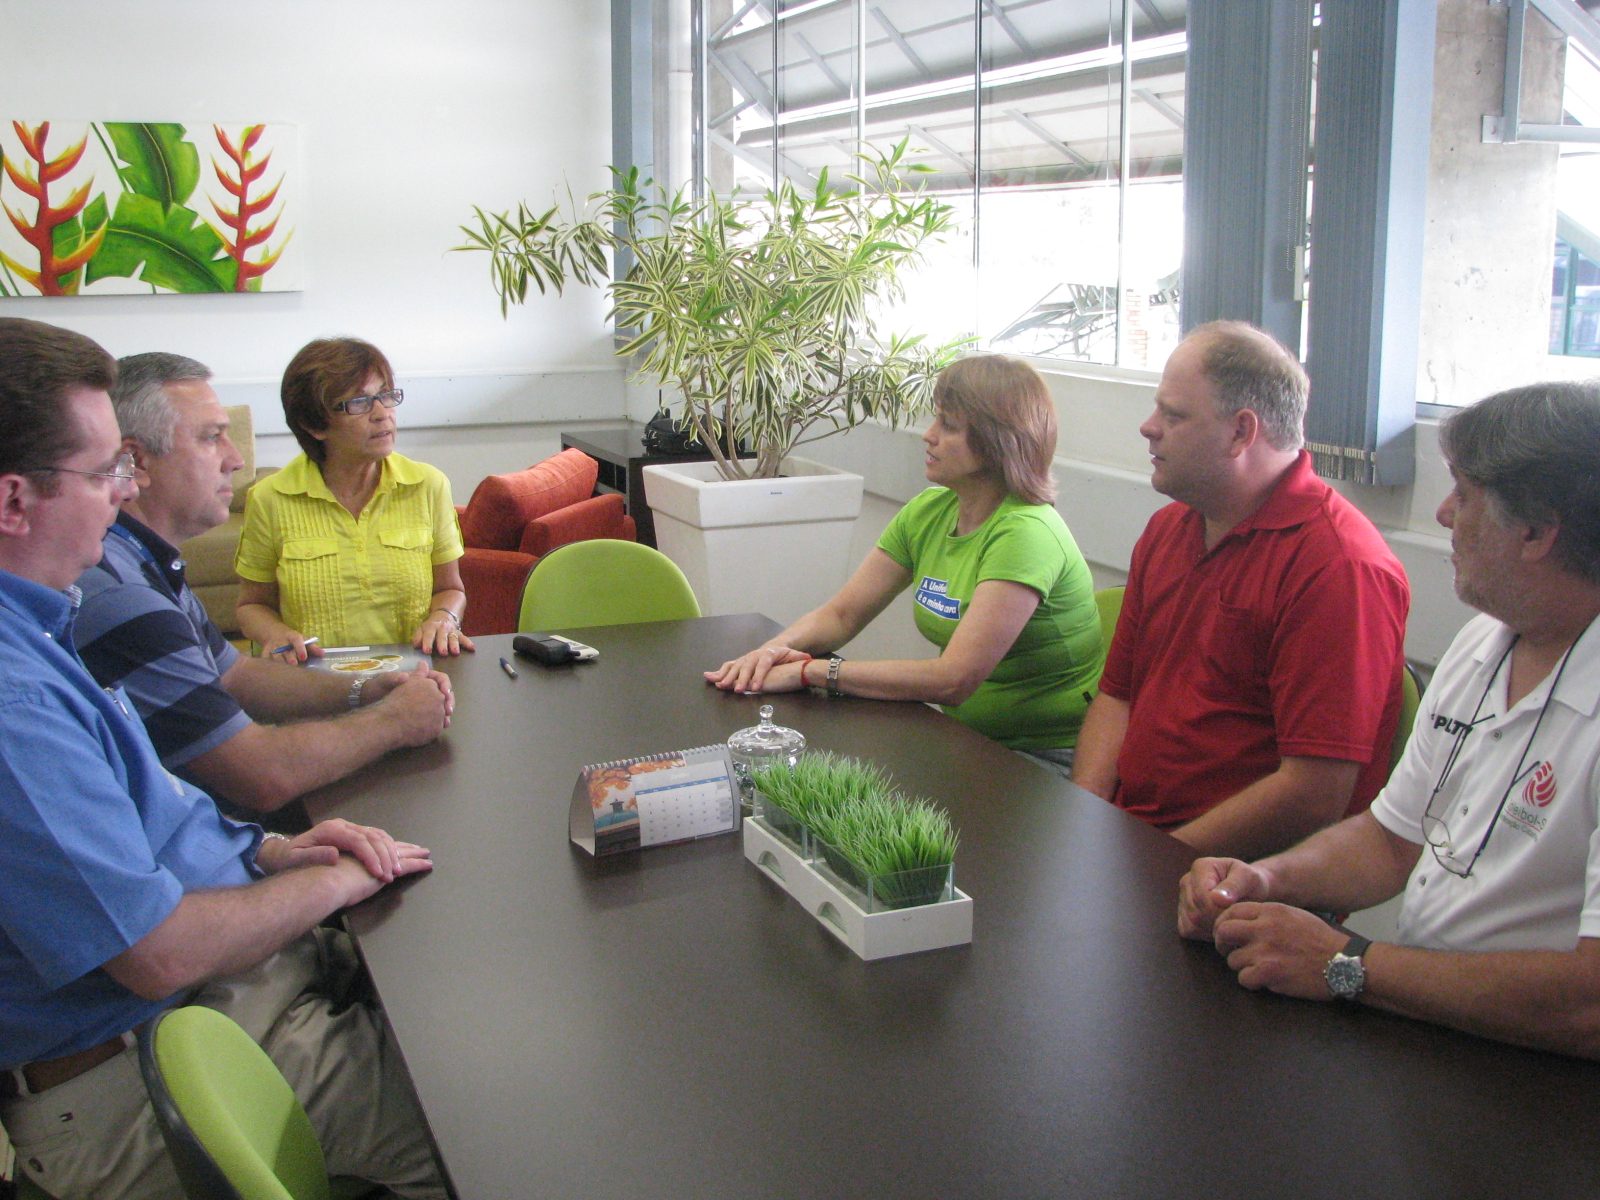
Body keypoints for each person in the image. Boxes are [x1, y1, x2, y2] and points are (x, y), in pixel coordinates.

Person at [0, 317, 444, 1198]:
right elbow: (154, 953)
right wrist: (330, 883)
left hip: (221, 989)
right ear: (14, 501)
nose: (121, 493)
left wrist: (274, 851)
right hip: (141, 1062)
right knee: (486, 1129)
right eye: (105, 473)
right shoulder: (16, 695)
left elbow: (156, 807)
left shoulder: (40, 623)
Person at [1177, 381, 1600, 1059]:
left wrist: (1348, 965)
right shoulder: (1485, 644)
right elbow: (1390, 842)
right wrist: (1263, 879)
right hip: (1432, 1017)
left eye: (1463, 494)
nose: (1441, 513)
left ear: (1537, 532)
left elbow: (1589, 1005)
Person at [1072, 321, 1410, 859]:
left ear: (1241, 432)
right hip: (1133, 843)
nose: (1148, 427)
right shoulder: (1169, 529)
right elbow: (1118, 697)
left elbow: (1313, 792)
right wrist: (1083, 827)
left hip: (1238, 878)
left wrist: (1155, 866)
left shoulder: (1339, 567)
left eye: (1173, 414)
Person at [72, 352, 454, 814]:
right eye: (213, 439)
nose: (236, 460)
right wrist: (391, 722)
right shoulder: (123, 597)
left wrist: (365, 691)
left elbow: (234, 674)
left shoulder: (143, 563)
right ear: (136, 461)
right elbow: (259, 776)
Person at [705, 355, 1102, 773]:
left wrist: (813, 672)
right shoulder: (931, 510)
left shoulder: (1026, 533)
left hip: (1045, 759)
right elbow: (841, 615)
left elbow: (953, 680)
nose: (928, 436)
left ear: (995, 442)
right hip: (965, 739)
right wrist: (770, 654)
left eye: (948, 425)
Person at [234, 336, 474, 662]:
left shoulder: (428, 485)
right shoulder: (269, 498)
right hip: (314, 680)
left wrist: (445, 617)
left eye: (386, 396)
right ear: (313, 425)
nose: (382, 414)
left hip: (413, 674)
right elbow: (252, 605)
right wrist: (274, 633)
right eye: (359, 403)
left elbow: (451, 589)